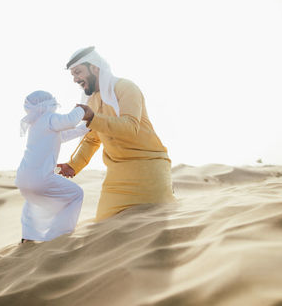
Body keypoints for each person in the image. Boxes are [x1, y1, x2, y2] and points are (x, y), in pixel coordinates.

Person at [57, 46, 175, 222]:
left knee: (149, 229)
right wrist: (74, 165)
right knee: (103, 228)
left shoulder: (126, 88)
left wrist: (93, 117)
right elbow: (92, 139)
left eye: (78, 72)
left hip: (148, 169)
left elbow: (130, 127)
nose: (75, 79)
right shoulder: (93, 100)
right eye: (72, 75)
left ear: (95, 67)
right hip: (116, 177)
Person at [15, 90, 89, 243]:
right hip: (40, 178)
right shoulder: (49, 118)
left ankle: (27, 237)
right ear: (47, 104)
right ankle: (58, 237)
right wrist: (81, 109)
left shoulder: (36, 124)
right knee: (76, 194)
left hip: (23, 178)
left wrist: (86, 128)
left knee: (33, 201)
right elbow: (70, 121)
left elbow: (62, 136)